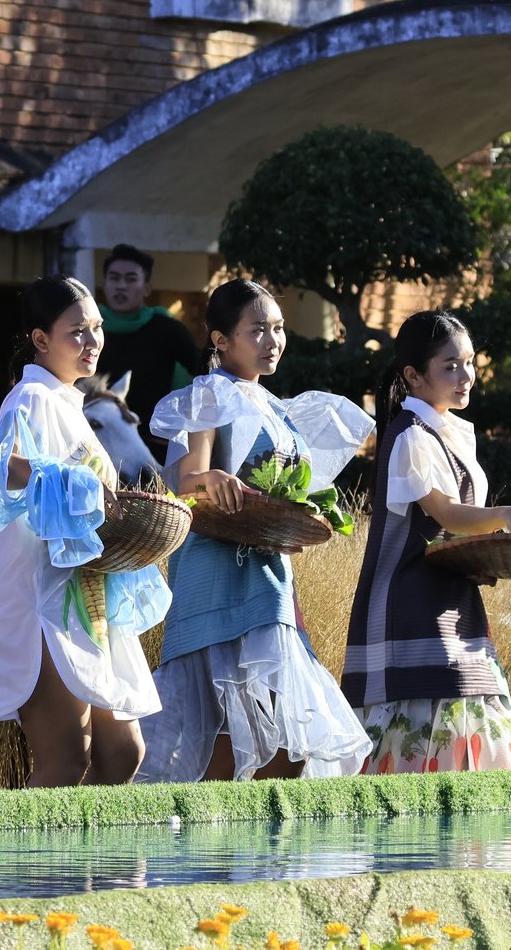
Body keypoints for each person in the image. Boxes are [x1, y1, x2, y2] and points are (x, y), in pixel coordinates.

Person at [138, 280, 373, 782]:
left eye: (279, 328)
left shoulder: (276, 406)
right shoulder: (208, 392)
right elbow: (186, 480)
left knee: (281, 740)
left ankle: (252, 853)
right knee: (223, 732)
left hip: (268, 573)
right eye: (258, 330)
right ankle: (212, 850)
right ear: (221, 340)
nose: (273, 340)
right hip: (214, 571)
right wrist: (213, 478)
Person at [0, 276, 172, 787]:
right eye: (77, 332)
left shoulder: (67, 401)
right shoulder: (31, 398)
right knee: (65, 760)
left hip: (87, 593)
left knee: (123, 751)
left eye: (97, 329)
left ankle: (102, 866)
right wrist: (69, 482)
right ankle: (31, 868)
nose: (92, 342)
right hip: (43, 596)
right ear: (41, 340)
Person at [341, 310, 511, 775]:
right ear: (413, 376)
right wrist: (506, 515)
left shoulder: (444, 430)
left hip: (449, 593)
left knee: (471, 695)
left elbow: (452, 528)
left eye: (469, 362)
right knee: (433, 700)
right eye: (450, 366)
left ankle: (463, 844)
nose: (466, 375)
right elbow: (447, 515)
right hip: (411, 598)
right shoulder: (412, 435)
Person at [97, 245, 205, 460]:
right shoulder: (89, 329)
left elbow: (206, 372)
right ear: (105, 284)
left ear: (146, 288)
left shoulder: (167, 330)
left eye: (130, 279)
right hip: (97, 447)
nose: (121, 286)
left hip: (153, 449)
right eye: (114, 278)